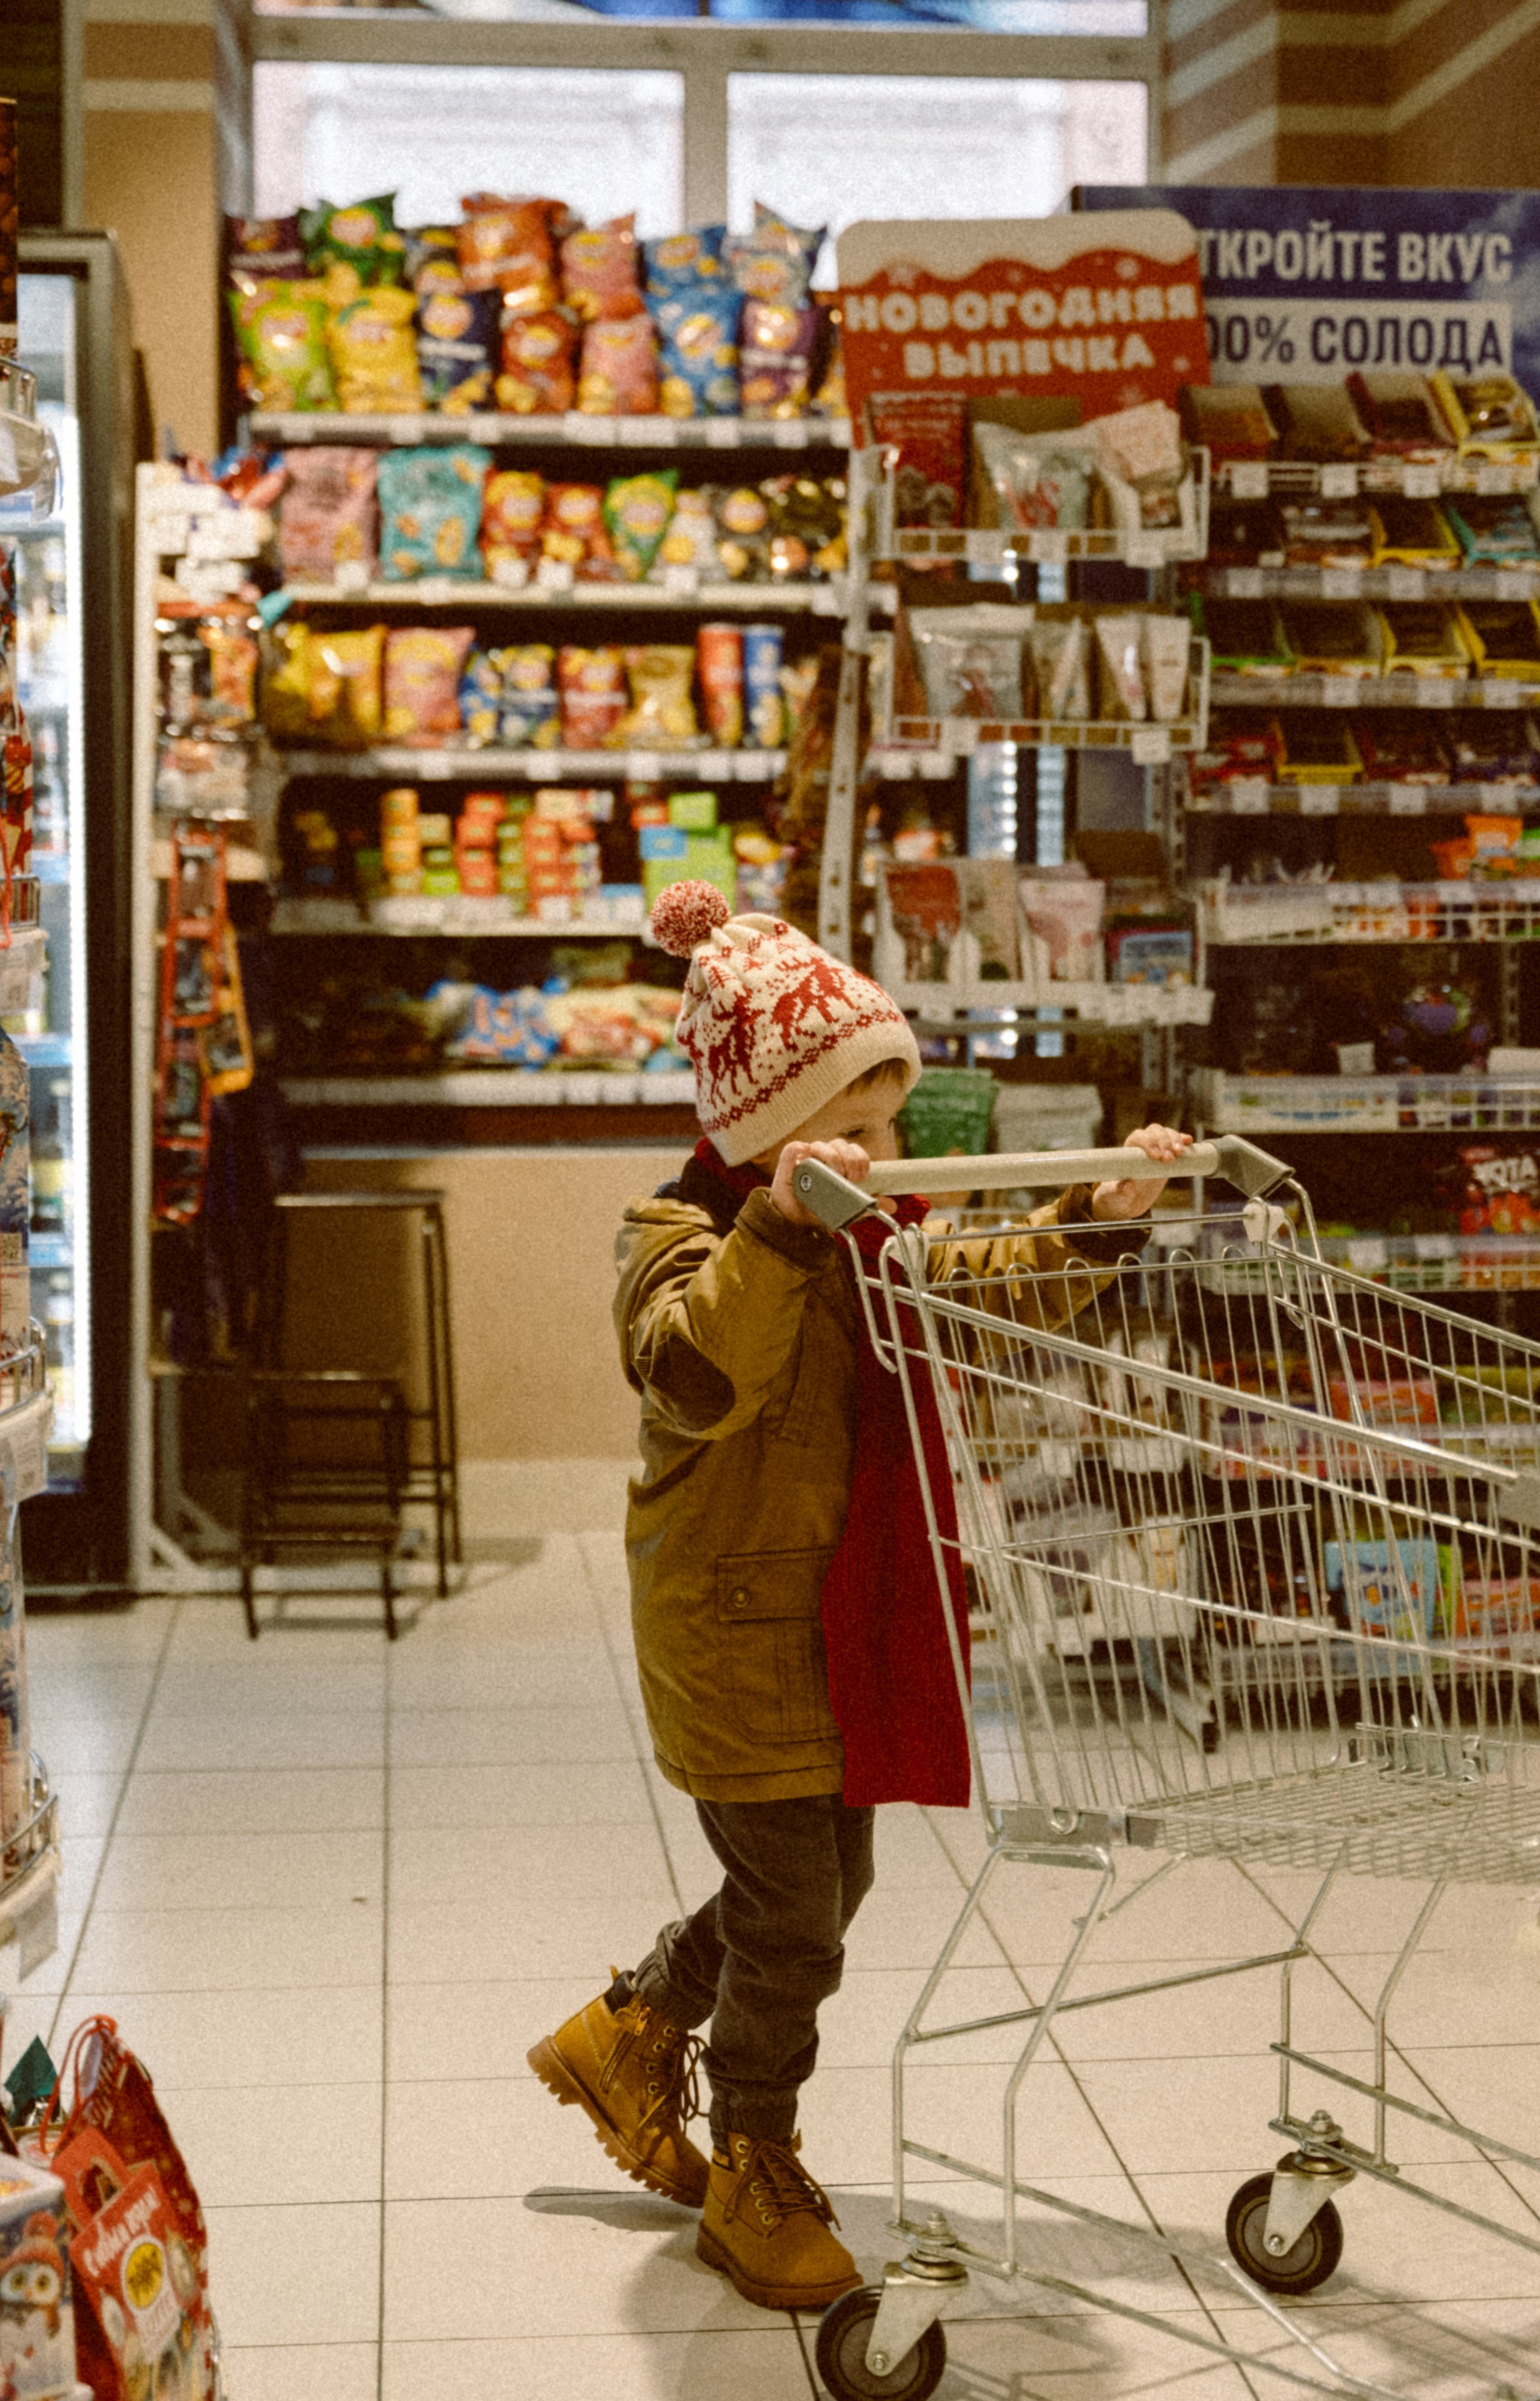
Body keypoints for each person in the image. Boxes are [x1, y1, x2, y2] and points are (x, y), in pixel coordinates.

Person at [529, 880, 1190, 2312]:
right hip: (728, 1626)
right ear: (765, 1132)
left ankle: (631, 2024)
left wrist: (1095, 1218)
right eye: (857, 1131)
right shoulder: (677, 1235)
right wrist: (778, 1230)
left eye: (890, 1131)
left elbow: (985, 1283)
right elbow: (697, 1374)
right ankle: (752, 2161)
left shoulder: (878, 1241)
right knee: (796, 1916)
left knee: (821, 1885)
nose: (886, 1163)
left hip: (844, 1618)